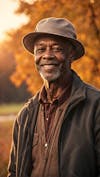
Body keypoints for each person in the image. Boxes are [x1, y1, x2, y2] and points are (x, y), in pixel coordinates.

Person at [7, 17, 100, 177]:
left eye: (56, 49)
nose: (47, 56)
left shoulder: (96, 105)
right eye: (41, 50)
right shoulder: (25, 115)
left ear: (71, 54)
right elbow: (15, 171)